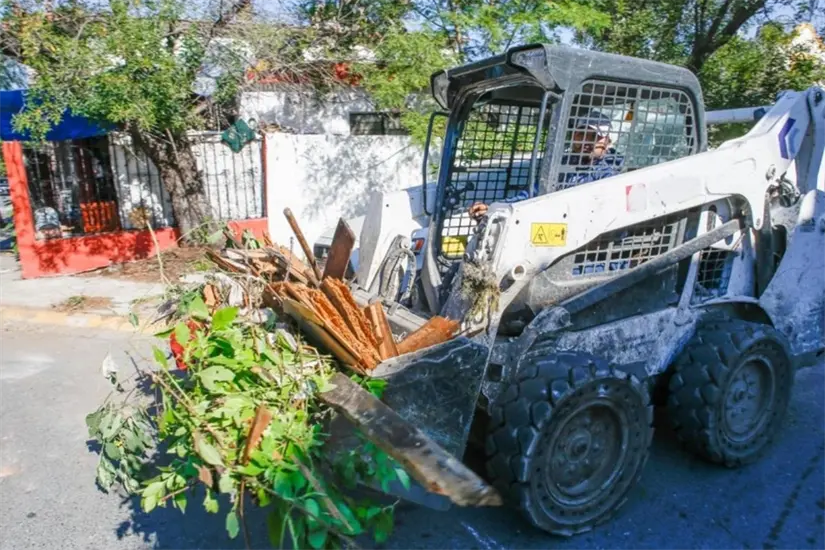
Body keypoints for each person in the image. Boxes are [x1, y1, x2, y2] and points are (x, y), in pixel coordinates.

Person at [467, 110, 624, 220]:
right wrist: (495, 209)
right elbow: (532, 194)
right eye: (581, 134)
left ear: (608, 142)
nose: (585, 141)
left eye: (594, 137)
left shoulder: (611, 174)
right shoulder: (561, 165)